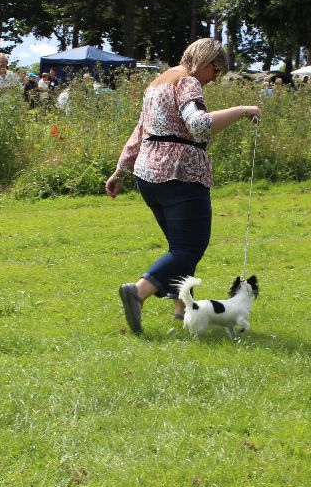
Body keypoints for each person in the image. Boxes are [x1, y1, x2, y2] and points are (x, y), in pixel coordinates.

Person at [105, 38, 260, 334]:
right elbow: (199, 125)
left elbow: (140, 132)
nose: (215, 79)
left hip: (148, 176)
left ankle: (181, 311)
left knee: (180, 249)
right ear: (205, 61)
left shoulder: (157, 83)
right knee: (189, 247)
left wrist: (120, 171)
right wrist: (243, 110)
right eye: (216, 70)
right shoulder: (188, 82)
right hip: (180, 174)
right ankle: (137, 293)